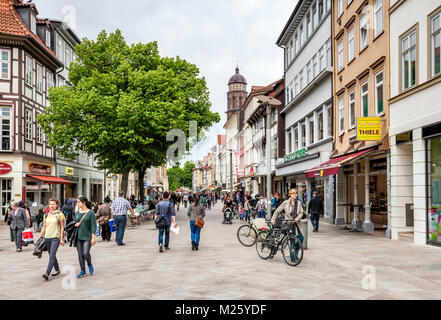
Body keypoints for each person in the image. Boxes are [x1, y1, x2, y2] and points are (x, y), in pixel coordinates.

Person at [272, 188, 307, 262]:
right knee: (292, 240)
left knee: (301, 238)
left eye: (296, 193)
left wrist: (298, 218)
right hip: (289, 224)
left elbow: (301, 212)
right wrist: (273, 219)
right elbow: (277, 211)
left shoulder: (299, 203)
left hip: (297, 223)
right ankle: (293, 258)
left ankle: (296, 252)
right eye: (293, 193)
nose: (295, 195)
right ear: (290, 194)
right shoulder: (285, 203)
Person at [39, 198, 65, 281]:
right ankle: (57, 269)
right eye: (50, 204)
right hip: (47, 238)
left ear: (57, 205)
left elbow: (62, 227)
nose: (52, 206)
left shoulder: (60, 214)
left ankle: (47, 273)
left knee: (52, 255)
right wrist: (40, 237)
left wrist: (61, 239)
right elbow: (44, 227)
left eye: (53, 204)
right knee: (51, 255)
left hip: (55, 238)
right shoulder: (46, 215)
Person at [74, 196, 97, 278]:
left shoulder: (90, 213)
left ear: (83, 203)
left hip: (87, 236)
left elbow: (93, 226)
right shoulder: (77, 212)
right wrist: (75, 224)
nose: (77, 204)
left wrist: (93, 237)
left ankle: (89, 264)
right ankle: (82, 271)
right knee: (80, 254)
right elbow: (74, 222)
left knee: (85, 253)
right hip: (78, 236)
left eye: (78, 202)